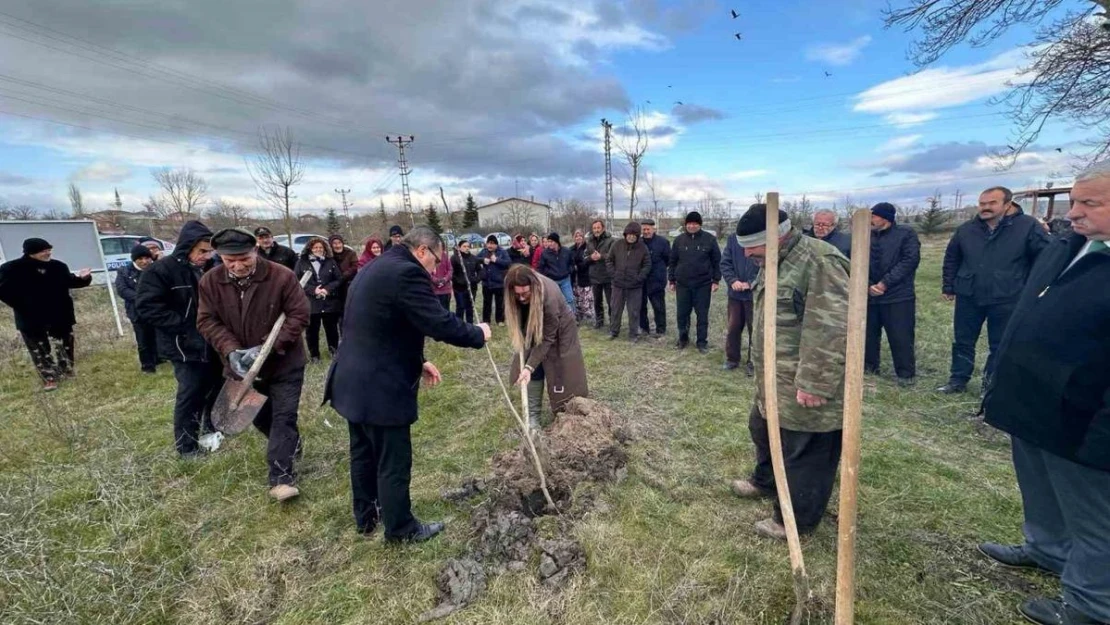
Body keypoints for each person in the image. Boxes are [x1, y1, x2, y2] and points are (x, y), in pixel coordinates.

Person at [978, 162, 1110, 625]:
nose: (1073, 213)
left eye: (1089, 203)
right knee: (1039, 486)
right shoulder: (1068, 245)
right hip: (1031, 401)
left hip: (1084, 415)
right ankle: (1047, 549)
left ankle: (1092, 606)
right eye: (1073, 201)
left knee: (1095, 517)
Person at [323, 227, 491, 543]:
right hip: (379, 386)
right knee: (392, 459)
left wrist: (419, 360)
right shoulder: (406, 273)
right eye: (436, 261)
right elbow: (437, 321)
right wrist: (477, 333)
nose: (435, 269)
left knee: (363, 452)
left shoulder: (377, 266)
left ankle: (366, 516)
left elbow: (386, 323)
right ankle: (400, 529)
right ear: (423, 251)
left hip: (351, 378)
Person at [728, 204, 850, 540]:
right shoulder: (773, 261)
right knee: (762, 428)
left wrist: (815, 383)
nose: (748, 254)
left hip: (805, 381)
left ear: (777, 237)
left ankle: (794, 520)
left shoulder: (820, 262)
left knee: (805, 450)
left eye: (752, 246)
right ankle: (766, 480)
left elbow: (831, 329)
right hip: (774, 377)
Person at [197, 228, 311, 502]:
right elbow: (206, 320)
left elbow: (299, 314)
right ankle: (289, 445)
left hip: (284, 364)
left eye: (244, 258)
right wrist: (232, 350)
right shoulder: (210, 282)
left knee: (284, 417)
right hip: (239, 367)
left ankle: (281, 478)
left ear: (255, 251)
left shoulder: (281, 276)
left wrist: (267, 348)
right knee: (261, 417)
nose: (237, 266)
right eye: (229, 260)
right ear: (220, 257)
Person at [937, 186, 1050, 394]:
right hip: (969, 293)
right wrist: (949, 285)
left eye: (992, 203)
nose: (985, 208)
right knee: (963, 340)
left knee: (999, 344)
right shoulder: (967, 229)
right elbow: (952, 258)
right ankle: (957, 380)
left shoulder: (1027, 227)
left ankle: (990, 386)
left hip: (1007, 295)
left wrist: (1033, 288)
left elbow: (1045, 258)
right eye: (982, 203)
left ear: (1007, 205)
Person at [135, 221, 223, 457]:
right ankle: (187, 447)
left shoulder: (209, 269)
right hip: (183, 346)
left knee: (216, 386)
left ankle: (210, 428)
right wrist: (185, 326)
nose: (207, 256)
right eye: (202, 251)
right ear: (187, 247)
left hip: (212, 343)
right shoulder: (161, 271)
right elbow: (147, 307)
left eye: (210, 251)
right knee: (191, 393)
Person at [0, 238, 93, 391]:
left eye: (49, 249)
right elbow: (3, 291)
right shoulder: (12, 269)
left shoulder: (58, 267)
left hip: (60, 313)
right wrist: (22, 305)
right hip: (31, 317)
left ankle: (67, 370)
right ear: (31, 252)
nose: (48, 253)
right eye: (43, 251)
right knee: (39, 348)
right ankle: (49, 377)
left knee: (65, 343)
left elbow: (71, 282)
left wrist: (83, 278)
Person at [505, 264, 589, 429]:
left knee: (559, 369)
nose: (521, 298)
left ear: (534, 287)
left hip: (560, 331)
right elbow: (522, 313)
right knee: (533, 364)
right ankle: (533, 416)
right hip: (534, 325)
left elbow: (548, 337)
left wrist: (529, 367)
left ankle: (567, 411)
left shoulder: (548, 296)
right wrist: (529, 365)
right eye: (517, 294)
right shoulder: (516, 290)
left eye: (525, 293)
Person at [865, 202, 921, 386]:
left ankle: (905, 374)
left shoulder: (905, 234)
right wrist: (867, 285)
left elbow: (909, 261)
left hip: (898, 296)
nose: (871, 220)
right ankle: (869, 369)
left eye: (874, 216)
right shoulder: (866, 236)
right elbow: (857, 260)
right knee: (868, 335)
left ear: (885, 218)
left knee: (900, 336)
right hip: (869, 296)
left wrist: (884, 284)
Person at [668, 211, 722, 354]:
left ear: (700, 225)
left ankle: (702, 342)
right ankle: (683, 339)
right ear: (686, 225)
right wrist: (671, 280)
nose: (692, 226)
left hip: (703, 284)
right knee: (682, 314)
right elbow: (672, 262)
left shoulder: (709, 239)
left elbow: (717, 261)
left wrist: (716, 280)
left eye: (695, 224)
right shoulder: (679, 240)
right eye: (689, 224)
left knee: (702, 314)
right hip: (683, 285)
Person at [294, 237, 343, 362]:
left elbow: (338, 279)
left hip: (329, 302)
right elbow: (297, 281)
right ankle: (315, 355)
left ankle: (334, 351)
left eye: (321, 247)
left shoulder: (330, 261)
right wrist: (313, 290)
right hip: (311, 302)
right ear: (310, 248)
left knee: (331, 329)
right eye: (315, 247)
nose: (318, 249)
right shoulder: (301, 262)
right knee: (312, 331)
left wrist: (327, 289)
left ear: (325, 248)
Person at [720, 226, 760, 375]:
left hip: (755, 296)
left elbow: (766, 266)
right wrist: (732, 280)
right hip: (735, 295)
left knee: (755, 330)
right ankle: (732, 359)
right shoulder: (733, 239)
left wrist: (750, 283)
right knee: (733, 328)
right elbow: (725, 263)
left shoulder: (762, 240)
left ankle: (754, 362)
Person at [114, 244, 159, 373]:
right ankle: (147, 366)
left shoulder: (154, 269)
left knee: (156, 335)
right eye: (140, 259)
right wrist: (142, 298)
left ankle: (158, 358)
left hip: (155, 309)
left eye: (147, 258)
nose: (144, 261)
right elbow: (122, 290)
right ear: (134, 259)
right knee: (142, 339)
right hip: (137, 311)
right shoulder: (124, 272)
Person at [606, 222, 651, 342]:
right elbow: (609, 260)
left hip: (635, 286)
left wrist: (639, 278)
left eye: (634, 235)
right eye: (629, 234)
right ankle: (614, 331)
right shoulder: (617, 245)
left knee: (634, 311)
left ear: (637, 236)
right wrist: (614, 275)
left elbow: (647, 265)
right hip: (618, 285)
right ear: (625, 234)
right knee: (615, 309)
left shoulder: (642, 248)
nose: (631, 237)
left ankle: (633, 334)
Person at [639, 219, 670, 337]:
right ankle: (644, 328)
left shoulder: (663, 242)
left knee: (658, 306)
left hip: (657, 280)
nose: (646, 232)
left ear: (654, 229)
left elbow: (668, 260)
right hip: (641, 280)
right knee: (641, 306)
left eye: (648, 229)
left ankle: (661, 329)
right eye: (644, 229)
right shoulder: (639, 243)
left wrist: (659, 271)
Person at [585, 220, 614, 329]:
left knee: (611, 301)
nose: (596, 230)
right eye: (594, 228)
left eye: (598, 227)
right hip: (595, 276)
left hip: (607, 275)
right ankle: (599, 321)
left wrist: (601, 256)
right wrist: (590, 258)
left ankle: (613, 322)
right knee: (597, 301)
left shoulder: (611, 241)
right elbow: (585, 258)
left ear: (603, 228)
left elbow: (613, 256)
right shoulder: (589, 242)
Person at [537, 231, 575, 311]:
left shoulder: (566, 251)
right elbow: (541, 267)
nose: (549, 243)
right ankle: (557, 320)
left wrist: (568, 271)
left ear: (557, 241)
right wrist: (549, 274)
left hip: (565, 280)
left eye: (551, 241)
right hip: (552, 281)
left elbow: (572, 263)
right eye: (548, 241)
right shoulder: (545, 253)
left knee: (570, 300)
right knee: (553, 302)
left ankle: (572, 319)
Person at [477, 234, 511, 325]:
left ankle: (500, 320)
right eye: (488, 243)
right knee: (486, 302)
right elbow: (475, 258)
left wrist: (496, 260)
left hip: (499, 283)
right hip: (487, 282)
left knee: (500, 303)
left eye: (492, 243)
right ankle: (486, 320)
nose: (490, 246)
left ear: (496, 244)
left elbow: (508, 263)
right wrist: (482, 260)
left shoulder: (502, 252)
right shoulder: (484, 251)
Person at [329, 234, 360, 322]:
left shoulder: (350, 253)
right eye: (334, 243)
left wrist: (342, 276)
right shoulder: (329, 256)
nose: (337, 245)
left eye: (339, 243)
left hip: (349, 284)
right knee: (339, 314)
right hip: (335, 287)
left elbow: (354, 266)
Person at [450, 239, 481, 323]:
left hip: (472, 287)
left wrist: (476, 279)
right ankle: (459, 326)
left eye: (468, 246)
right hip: (459, 288)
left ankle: (470, 325)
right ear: (459, 247)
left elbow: (480, 270)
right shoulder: (454, 258)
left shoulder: (474, 258)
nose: (467, 248)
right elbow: (451, 273)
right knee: (460, 307)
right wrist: (459, 281)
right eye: (464, 246)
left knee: (470, 307)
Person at [571, 230, 595, 324]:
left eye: (580, 236)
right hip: (576, 276)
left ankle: (590, 316)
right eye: (576, 236)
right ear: (574, 238)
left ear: (583, 237)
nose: (578, 238)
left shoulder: (587, 248)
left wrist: (580, 265)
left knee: (588, 297)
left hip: (586, 275)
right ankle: (579, 315)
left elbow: (591, 259)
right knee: (578, 297)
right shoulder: (571, 249)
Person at [430, 243, 453, 310]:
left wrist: (445, 279)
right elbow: (427, 271)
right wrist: (435, 280)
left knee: (446, 310)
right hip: (434, 290)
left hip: (446, 290)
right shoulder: (429, 256)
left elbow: (450, 269)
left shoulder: (445, 256)